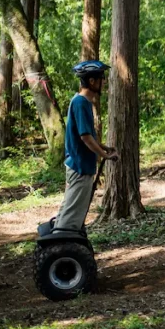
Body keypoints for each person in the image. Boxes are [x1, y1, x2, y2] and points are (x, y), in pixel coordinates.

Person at [55, 61, 119, 231]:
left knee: (70, 210)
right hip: (80, 167)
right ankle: (62, 249)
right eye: (101, 78)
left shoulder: (81, 102)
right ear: (92, 81)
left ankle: (60, 244)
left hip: (80, 166)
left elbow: (87, 136)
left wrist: (104, 147)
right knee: (72, 215)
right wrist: (105, 156)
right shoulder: (81, 103)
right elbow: (85, 138)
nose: (104, 82)